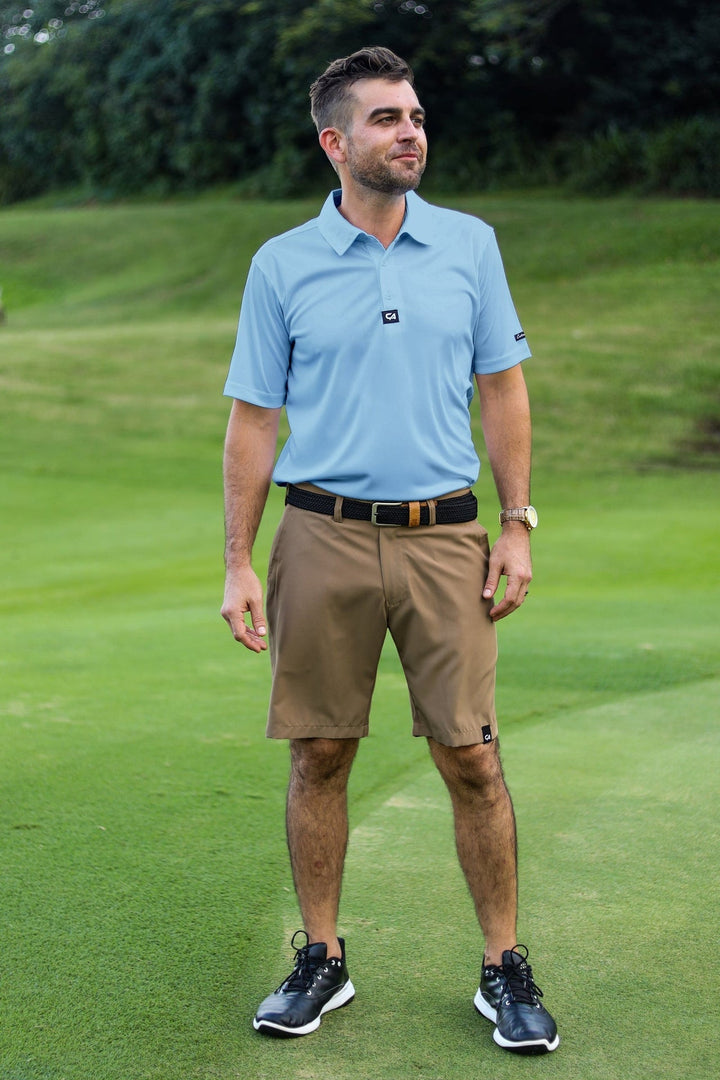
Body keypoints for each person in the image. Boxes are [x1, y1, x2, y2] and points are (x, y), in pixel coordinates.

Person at [221, 46, 559, 1055]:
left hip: (447, 537)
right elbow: (253, 418)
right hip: (319, 534)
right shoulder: (280, 264)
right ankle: (321, 956)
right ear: (336, 142)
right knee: (320, 753)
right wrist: (239, 558)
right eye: (384, 119)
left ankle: (504, 968)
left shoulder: (470, 246)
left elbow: (503, 386)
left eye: (414, 115)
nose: (408, 130)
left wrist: (517, 520)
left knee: (474, 761)